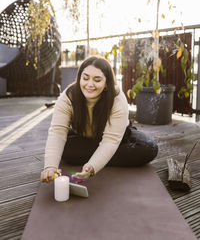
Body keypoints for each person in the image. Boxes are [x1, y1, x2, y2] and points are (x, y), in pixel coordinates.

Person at [40, 55, 158, 183]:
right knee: (64, 149)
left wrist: (92, 166)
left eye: (97, 80)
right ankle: (104, 155)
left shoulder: (117, 98)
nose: (89, 84)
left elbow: (111, 140)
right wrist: (50, 166)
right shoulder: (68, 97)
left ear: (107, 83)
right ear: (79, 78)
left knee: (148, 148)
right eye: (85, 78)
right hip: (86, 137)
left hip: (118, 137)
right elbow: (57, 132)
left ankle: (102, 156)